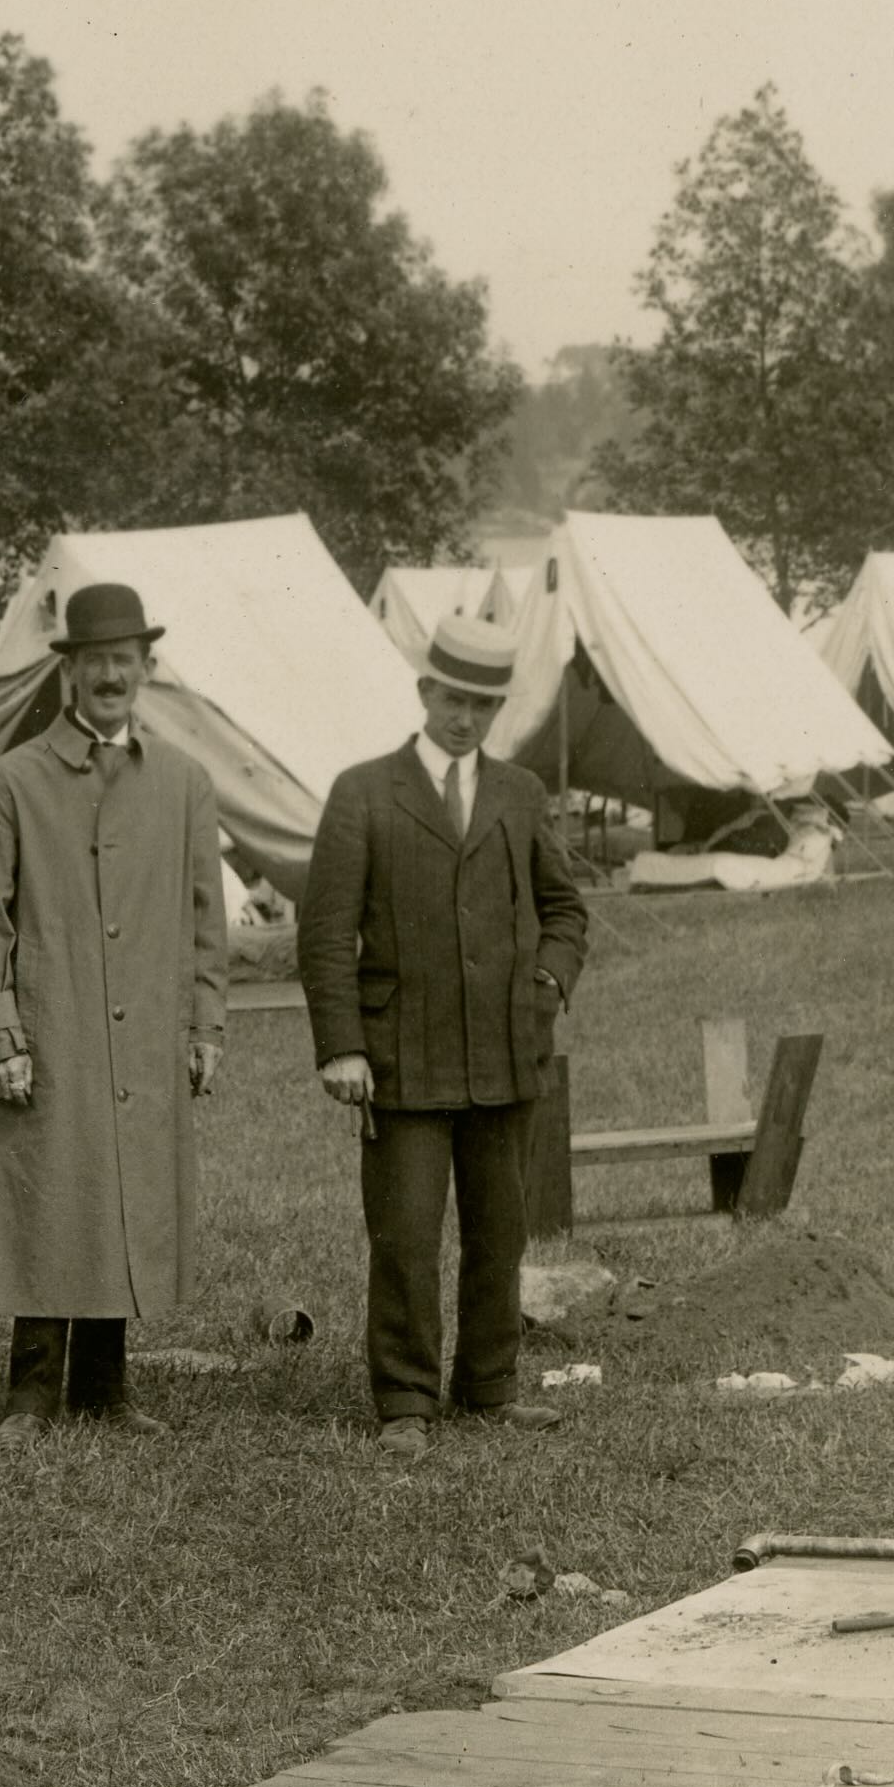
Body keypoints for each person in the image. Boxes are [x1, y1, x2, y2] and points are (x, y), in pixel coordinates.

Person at [302, 612, 594, 1451]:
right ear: (425, 691)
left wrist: (545, 983)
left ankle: (490, 1387)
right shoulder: (363, 792)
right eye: (453, 698)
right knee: (404, 1235)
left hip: (504, 1053)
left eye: (483, 704)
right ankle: (404, 1402)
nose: (465, 717)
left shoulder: (519, 793)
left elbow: (565, 908)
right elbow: (325, 934)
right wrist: (343, 1044)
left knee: (500, 1231)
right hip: (400, 1057)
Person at [0, 578, 226, 1435]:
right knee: (49, 1193)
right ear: (69, 672)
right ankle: (29, 1394)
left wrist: (205, 1024)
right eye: (95, 660)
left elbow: (208, 918)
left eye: (125, 660)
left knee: (120, 1195)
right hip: (50, 1025)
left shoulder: (183, 783)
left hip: (144, 1031)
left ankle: (103, 1392)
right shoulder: (9, 783)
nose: (111, 674)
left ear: (146, 668)